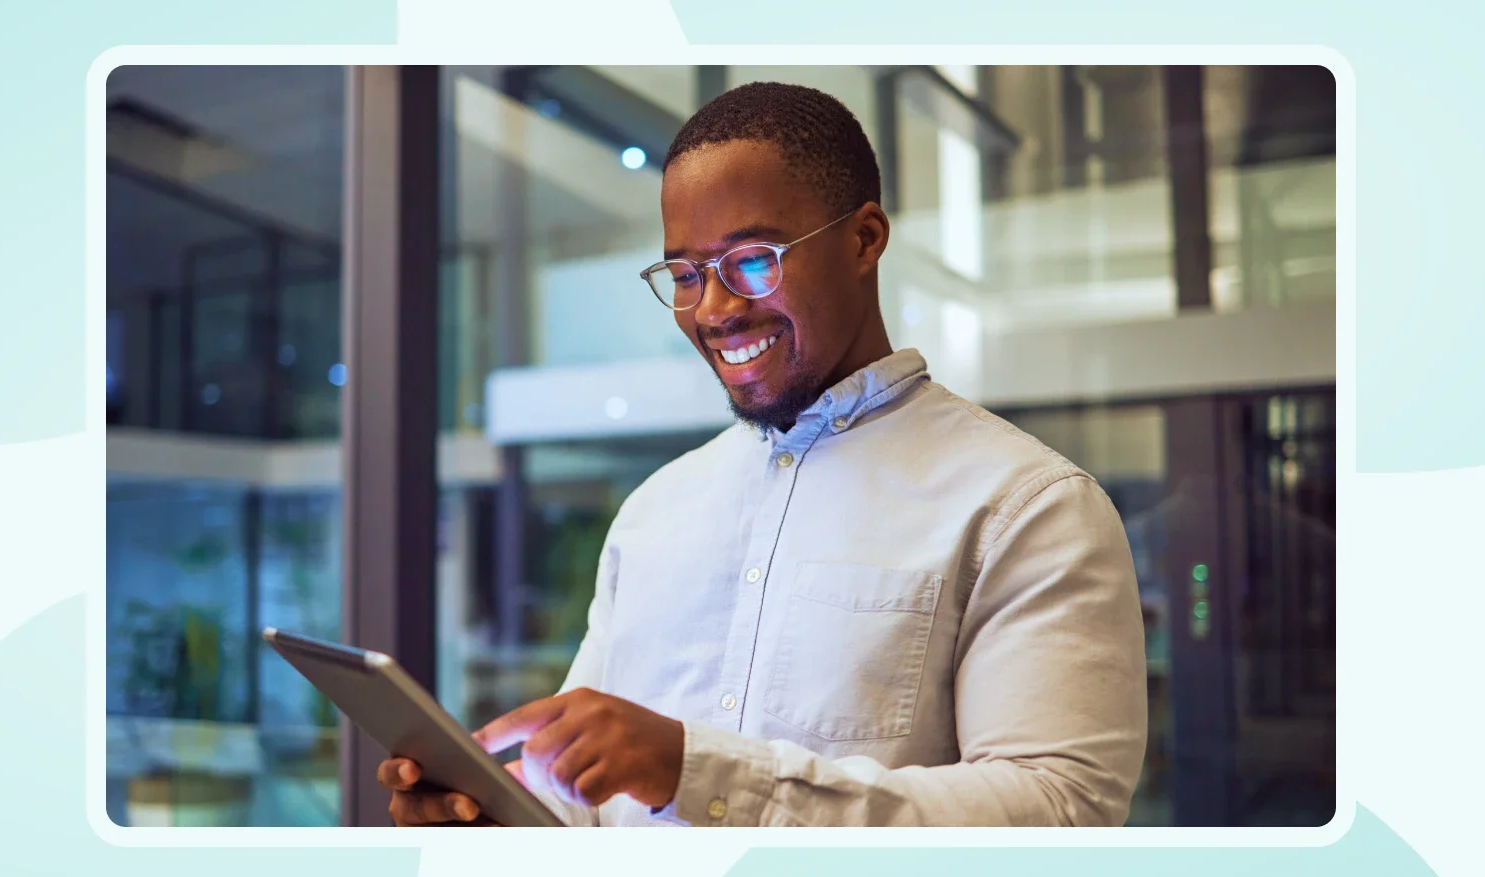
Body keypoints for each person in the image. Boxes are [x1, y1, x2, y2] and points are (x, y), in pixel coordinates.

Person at [380, 81, 1147, 827]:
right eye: (685, 274)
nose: (714, 309)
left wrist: (691, 770)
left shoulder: (1026, 505)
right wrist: (498, 819)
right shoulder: (655, 511)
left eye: (753, 260)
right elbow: (588, 803)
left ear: (864, 239)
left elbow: (1060, 809)